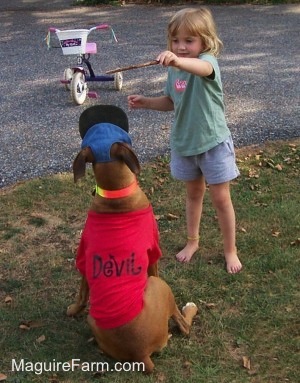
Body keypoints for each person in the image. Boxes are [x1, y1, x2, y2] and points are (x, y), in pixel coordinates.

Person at [128, 7, 242, 274]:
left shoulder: (208, 62)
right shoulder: (175, 71)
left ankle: (230, 250)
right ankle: (193, 242)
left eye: (188, 41)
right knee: (193, 195)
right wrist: (146, 102)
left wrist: (178, 61)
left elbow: (201, 68)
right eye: (175, 41)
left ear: (205, 41)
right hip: (185, 144)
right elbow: (172, 101)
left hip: (212, 143)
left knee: (221, 198)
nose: (180, 47)